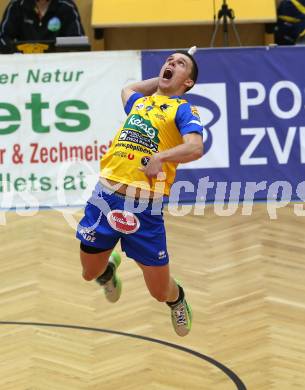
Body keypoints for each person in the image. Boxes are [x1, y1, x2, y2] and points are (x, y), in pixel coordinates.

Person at [76, 50, 205, 336]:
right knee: (89, 273)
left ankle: (178, 299)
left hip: (145, 209)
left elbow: (195, 147)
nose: (171, 63)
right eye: (169, 60)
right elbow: (128, 88)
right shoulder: (139, 103)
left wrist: (162, 157)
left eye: (180, 63)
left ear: (189, 83)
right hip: (105, 198)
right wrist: (164, 78)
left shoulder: (183, 110)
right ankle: (108, 271)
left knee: (160, 292)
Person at [0, 0, 84, 53]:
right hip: (22, 65)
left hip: (58, 66)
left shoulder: (67, 7)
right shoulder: (16, 6)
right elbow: (3, 38)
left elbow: (77, 43)